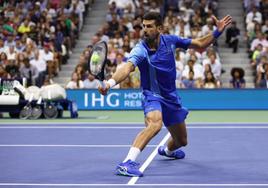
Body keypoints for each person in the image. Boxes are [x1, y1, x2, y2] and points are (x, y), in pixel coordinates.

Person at [98, 12, 232, 177]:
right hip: (152, 95)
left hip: (171, 98)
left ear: (159, 28)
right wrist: (110, 83)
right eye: (144, 26)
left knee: (181, 141)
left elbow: (200, 44)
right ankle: (127, 163)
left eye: (149, 26)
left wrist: (217, 31)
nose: (145, 30)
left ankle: (167, 151)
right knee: (155, 124)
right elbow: (127, 67)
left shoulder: (171, 41)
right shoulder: (140, 49)